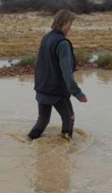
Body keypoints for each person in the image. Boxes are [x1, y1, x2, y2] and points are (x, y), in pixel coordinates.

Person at [28, 10, 88, 141]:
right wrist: (77, 93)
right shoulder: (63, 43)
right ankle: (66, 151)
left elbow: (39, 64)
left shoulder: (46, 37)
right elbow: (67, 72)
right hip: (56, 91)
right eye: (71, 24)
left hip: (42, 87)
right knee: (69, 118)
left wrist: (39, 84)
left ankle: (29, 141)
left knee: (42, 121)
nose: (70, 28)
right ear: (66, 24)